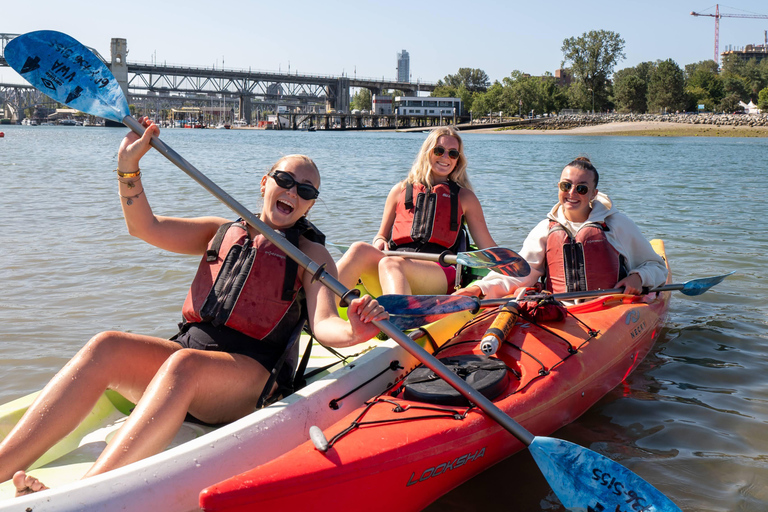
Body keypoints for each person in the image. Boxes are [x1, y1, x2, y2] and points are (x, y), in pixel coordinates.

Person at [2, 118, 388, 496]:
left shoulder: (310, 254)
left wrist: (355, 331)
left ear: (309, 205)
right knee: (107, 346)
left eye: (306, 190)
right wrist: (128, 167)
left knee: (183, 366)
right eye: (285, 180)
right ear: (265, 183)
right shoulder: (221, 231)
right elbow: (144, 227)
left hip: (249, 377)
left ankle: (85, 493)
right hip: (189, 356)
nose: (293, 192)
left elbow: (323, 324)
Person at [456, 156, 667, 300]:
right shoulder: (545, 229)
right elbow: (519, 273)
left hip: (610, 307)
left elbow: (657, 268)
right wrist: (478, 289)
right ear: (559, 187)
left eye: (582, 188)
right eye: (566, 186)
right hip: (559, 308)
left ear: (594, 194)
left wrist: (638, 278)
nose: (572, 193)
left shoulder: (616, 224)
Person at [337, 126, 498, 297]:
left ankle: (399, 320)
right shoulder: (399, 190)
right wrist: (379, 240)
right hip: (395, 264)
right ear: (427, 152)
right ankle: (320, 309)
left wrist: (519, 272)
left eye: (453, 153)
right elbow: (381, 235)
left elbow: (487, 248)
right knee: (358, 249)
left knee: (391, 264)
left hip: (439, 270)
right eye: (439, 150)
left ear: (458, 160)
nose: (446, 157)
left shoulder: (465, 198)